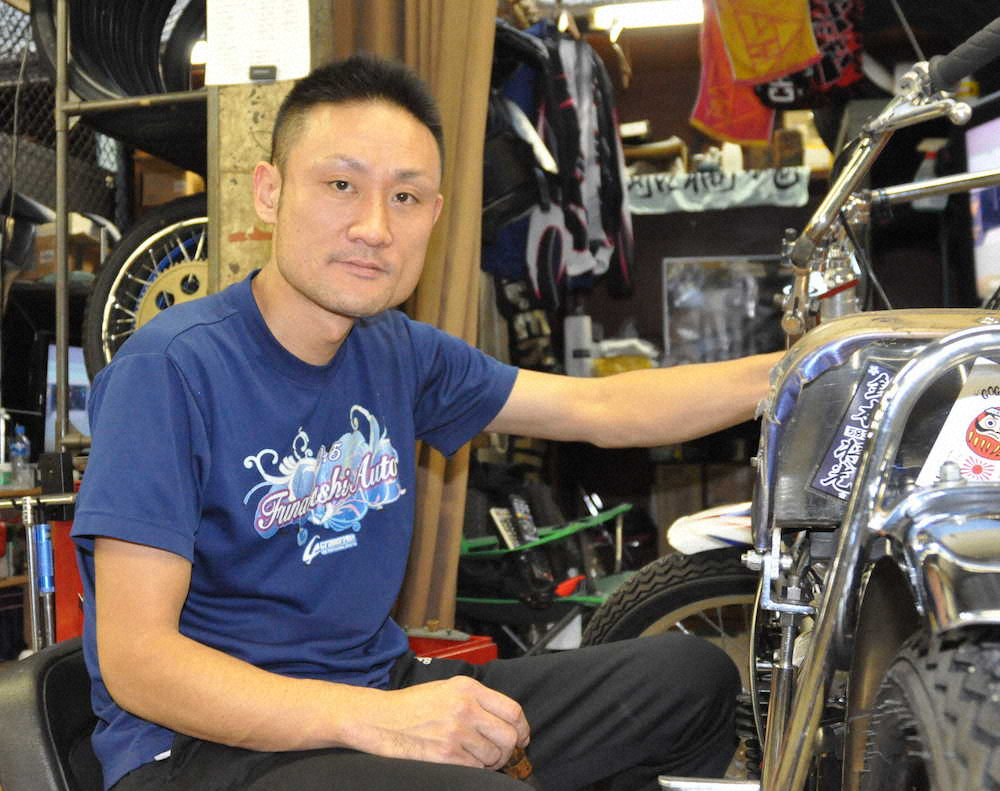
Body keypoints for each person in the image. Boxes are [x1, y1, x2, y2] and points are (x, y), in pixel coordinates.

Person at [72, 54, 779, 791]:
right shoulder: (171, 369)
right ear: (270, 192)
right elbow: (139, 664)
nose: (375, 227)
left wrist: (799, 368)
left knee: (691, 681)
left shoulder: (397, 350)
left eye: (405, 197)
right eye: (341, 185)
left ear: (435, 217)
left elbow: (600, 408)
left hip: (373, 691)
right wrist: (376, 719)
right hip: (201, 748)